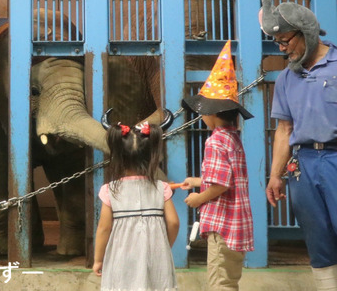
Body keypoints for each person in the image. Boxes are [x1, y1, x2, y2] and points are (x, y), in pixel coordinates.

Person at [259, 0, 337, 290]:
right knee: (317, 237)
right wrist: (275, 175)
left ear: (306, 32)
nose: (281, 48)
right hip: (303, 165)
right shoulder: (285, 79)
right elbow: (283, 129)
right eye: (276, 42)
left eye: (285, 40)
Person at [181, 40, 255, 291]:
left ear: (212, 113)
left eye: (203, 112)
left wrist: (198, 198)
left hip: (222, 229)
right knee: (230, 281)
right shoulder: (233, 138)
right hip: (237, 226)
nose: (202, 117)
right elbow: (228, 179)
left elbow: (221, 185)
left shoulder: (215, 142)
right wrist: (197, 181)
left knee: (220, 283)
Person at [93, 110, 179, 291]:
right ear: (151, 157)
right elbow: (173, 222)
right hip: (156, 257)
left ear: (118, 158)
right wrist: (163, 245)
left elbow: (104, 228)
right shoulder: (161, 188)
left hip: (121, 258)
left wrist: (98, 259)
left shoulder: (110, 190)